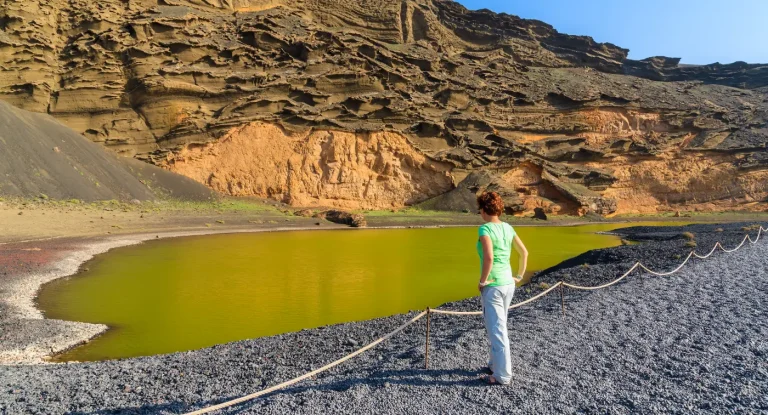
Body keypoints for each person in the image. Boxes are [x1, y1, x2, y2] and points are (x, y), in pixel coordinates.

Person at [476, 191, 528, 385]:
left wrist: (482, 281)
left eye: (479, 209)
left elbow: (488, 257)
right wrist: (519, 276)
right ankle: (493, 363)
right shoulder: (508, 227)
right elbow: (524, 253)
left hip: (494, 286)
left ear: (483, 209)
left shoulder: (485, 229)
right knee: (498, 325)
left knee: (498, 330)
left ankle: (503, 375)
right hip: (508, 283)